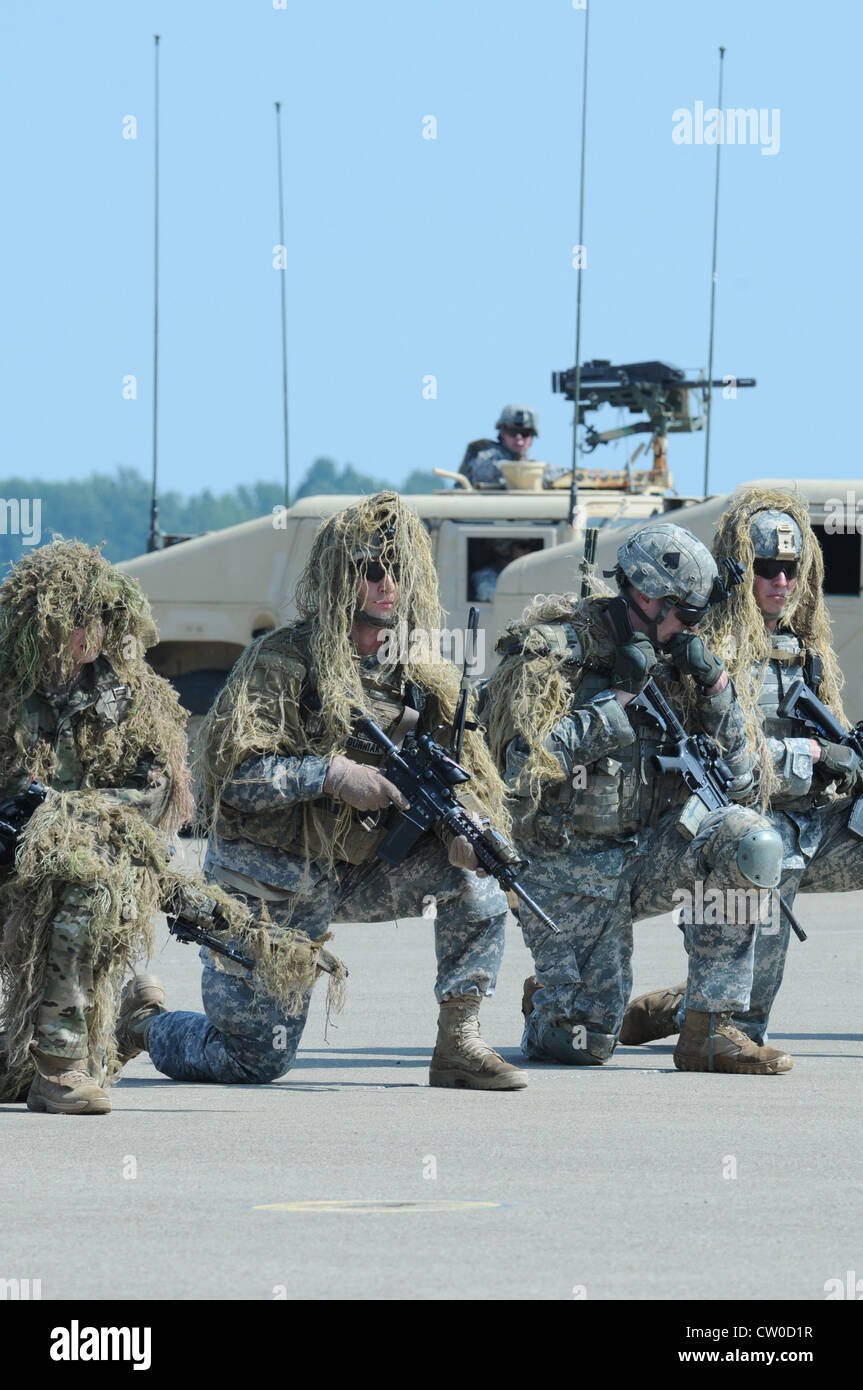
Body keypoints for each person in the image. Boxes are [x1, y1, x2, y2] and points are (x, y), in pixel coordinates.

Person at [128, 492, 527, 1091]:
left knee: (476, 877)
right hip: (268, 879)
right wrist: (330, 774)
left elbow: (461, 777)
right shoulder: (281, 661)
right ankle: (144, 1023)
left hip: (358, 871)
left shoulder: (420, 678)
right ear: (341, 578)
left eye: (397, 570)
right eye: (370, 570)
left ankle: (459, 1041)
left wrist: (462, 826)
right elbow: (230, 780)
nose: (386, 583)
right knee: (253, 1061)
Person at [481, 520, 795, 1075]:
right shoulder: (551, 655)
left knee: (751, 840)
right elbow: (516, 774)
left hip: (648, 856)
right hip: (567, 868)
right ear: (645, 596)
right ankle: (552, 1003)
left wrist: (718, 690)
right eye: (688, 615)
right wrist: (616, 702)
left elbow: (745, 785)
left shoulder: (682, 661)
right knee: (585, 1042)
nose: (691, 630)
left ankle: (708, 1027)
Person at [620, 489, 863, 1049]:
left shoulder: (805, 647)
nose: (782, 581)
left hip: (808, 822)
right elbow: (723, 761)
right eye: (767, 568)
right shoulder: (706, 650)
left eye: (791, 569)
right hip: (735, 825)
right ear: (740, 570)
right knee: (770, 860)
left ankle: (686, 1004)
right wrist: (817, 758)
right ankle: (710, 1016)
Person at [0, 540, 193, 1114]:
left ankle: (61, 1068)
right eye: (78, 618)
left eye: (102, 619)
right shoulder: (10, 690)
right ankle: (126, 1027)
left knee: (84, 883)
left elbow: (155, 786)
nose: (92, 633)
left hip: (93, 864)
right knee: (7, 1078)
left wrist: (73, 814)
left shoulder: (135, 696)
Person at [459, 404, 564, 489]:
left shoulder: (529, 463)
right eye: (512, 432)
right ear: (502, 433)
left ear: (532, 436)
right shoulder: (487, 457)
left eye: (525, 433)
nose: (519, 438)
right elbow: (511, 472)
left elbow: (550, 472)